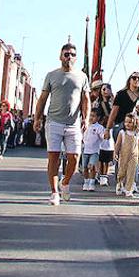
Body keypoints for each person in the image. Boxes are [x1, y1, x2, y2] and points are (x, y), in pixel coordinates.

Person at [34, 43, 89, 205]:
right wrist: (38, 118)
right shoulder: (52, 75)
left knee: (74, 157)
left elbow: (86, 100)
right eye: (66, 54)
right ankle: (54, 192)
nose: (69, 57)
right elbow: (43, 98)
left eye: (72, 54)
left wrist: (85, 118)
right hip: (54, 122)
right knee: (54, 157)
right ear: (60, 56)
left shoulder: (82, 76)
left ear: (76, 57)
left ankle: (64, 183)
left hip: (73, 124)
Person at [116, 112, 139, 197]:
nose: (127, 124)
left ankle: (129, 189)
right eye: (126, 122)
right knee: (121, 172)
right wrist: (115, 153)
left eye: (130, 122)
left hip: (134, 156)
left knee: (131, 173)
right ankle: (120, 184)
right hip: (124, 155)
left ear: (135, 123)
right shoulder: (122, 133)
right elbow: (118, 144)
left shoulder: (137, 134)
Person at [82, 110, 106, 191]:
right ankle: (86, 182)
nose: (91, 118)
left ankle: (91, 183)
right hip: (84, 150)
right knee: (84, 167)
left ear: (98, 118)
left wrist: (106, 134)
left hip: (94, 151)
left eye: (93, 116)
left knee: (91, 167)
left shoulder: (99, 127)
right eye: (90, 115)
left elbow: (103, 137)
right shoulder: (85, 125)